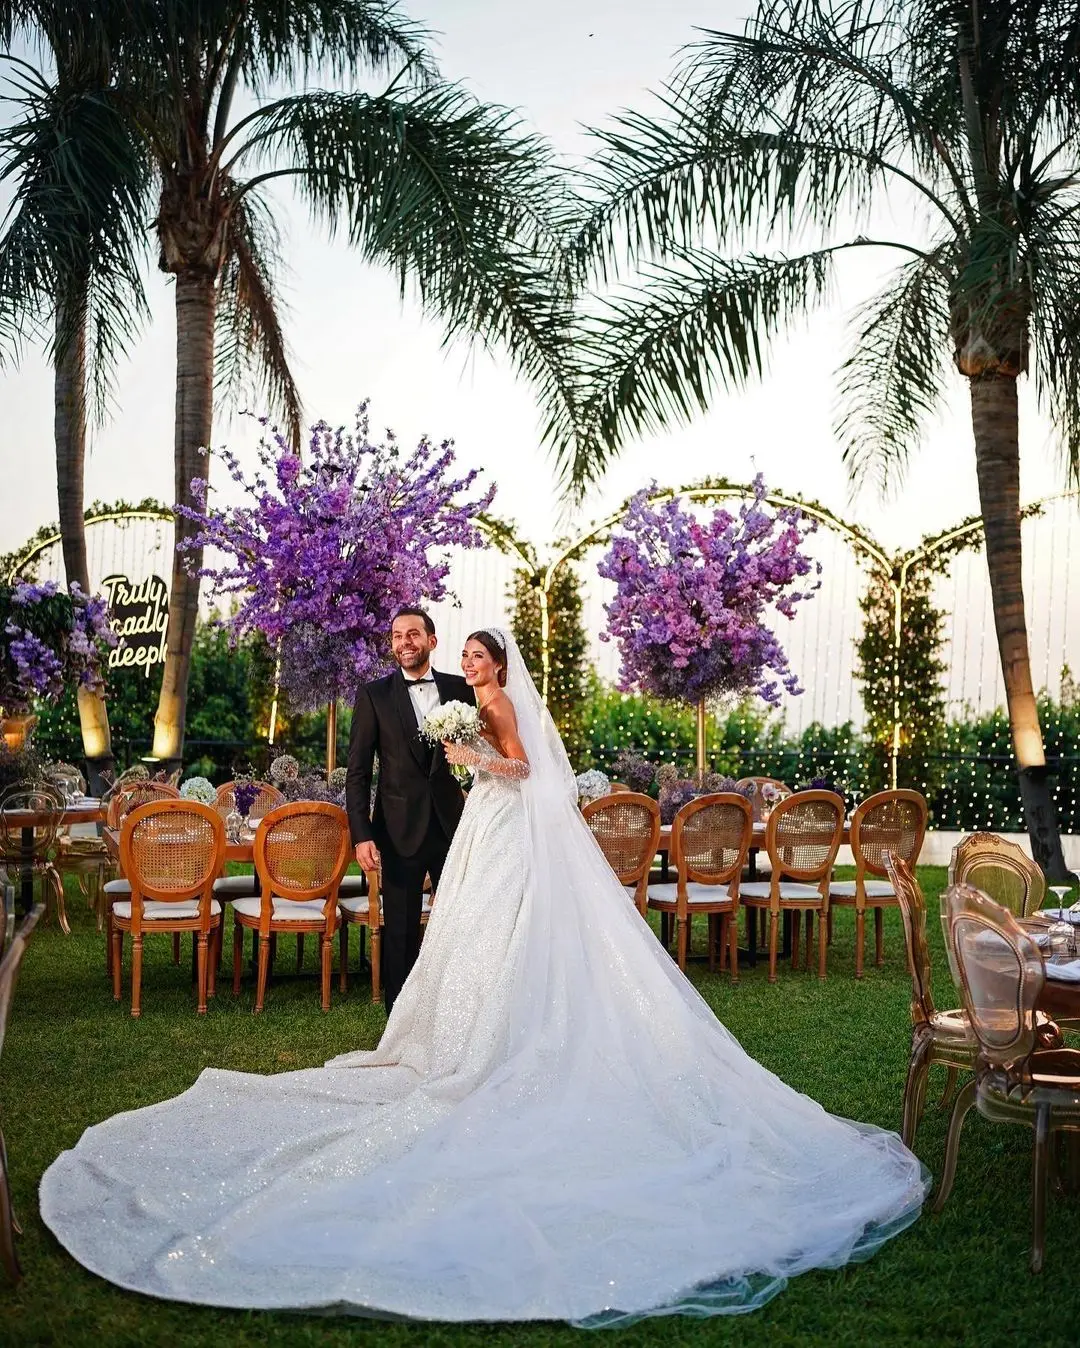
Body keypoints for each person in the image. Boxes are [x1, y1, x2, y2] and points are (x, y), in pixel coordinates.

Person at [40, 626, 927, 1326]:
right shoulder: (436, 696)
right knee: (462, 930)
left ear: (492, 664)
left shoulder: (490, 704)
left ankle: (492, 1038)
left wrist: (471, 757)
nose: (463, 662)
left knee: (492, 929)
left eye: (472, 653)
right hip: (469, 830)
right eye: (458, 653)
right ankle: (446, 1031)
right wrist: (460, 762)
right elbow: (397, 766)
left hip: (491, 822)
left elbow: (525, 769)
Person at [345, 607, 475, 1013]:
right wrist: (362, 834)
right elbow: (357, 773)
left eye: (413, 634)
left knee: (460, 923)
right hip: (396, 832)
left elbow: (480, 755)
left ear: (431, 641)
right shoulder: (374, 695)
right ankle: (399, 1021)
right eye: (398, 635)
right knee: (399, 930)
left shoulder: (462, 690)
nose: (405, 642)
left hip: (453, 828)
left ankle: (458, 1012)